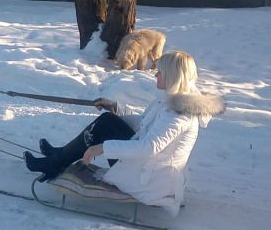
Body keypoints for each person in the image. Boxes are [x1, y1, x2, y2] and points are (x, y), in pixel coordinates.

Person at [23, 51, 225, 215]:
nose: (155, 74)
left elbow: (149, 148)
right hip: (149, 166)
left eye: (160, 72)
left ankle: (55, 162)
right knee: (108, 120)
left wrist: (102, 148)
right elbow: (144, 125)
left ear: (172, 76)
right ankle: (60, 155)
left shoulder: (178, 114)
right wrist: (116, 107)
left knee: (104, 127)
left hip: (149, 177)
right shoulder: (173, 101)